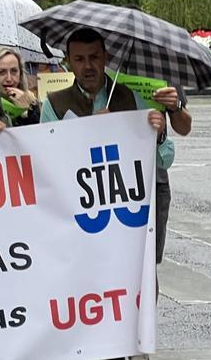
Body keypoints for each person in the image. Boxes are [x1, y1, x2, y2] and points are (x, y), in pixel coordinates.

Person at [38, 27, 187, 267]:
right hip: (82, 214)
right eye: (79, 59)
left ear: (105, 57)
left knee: (140, 275)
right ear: (68, 62)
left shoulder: (128, 96)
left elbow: (164, 159)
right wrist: (88, 131)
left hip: (127, 211)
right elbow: (47, 160)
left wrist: (157, 135)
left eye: (94, 57)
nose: (87, 66)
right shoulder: (54, 103)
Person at [0, 47, 40, 126]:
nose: (9, 79)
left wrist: (25, 113)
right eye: (1, 72)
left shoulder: (32, 102)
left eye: (14, 71)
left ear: (21, 74)